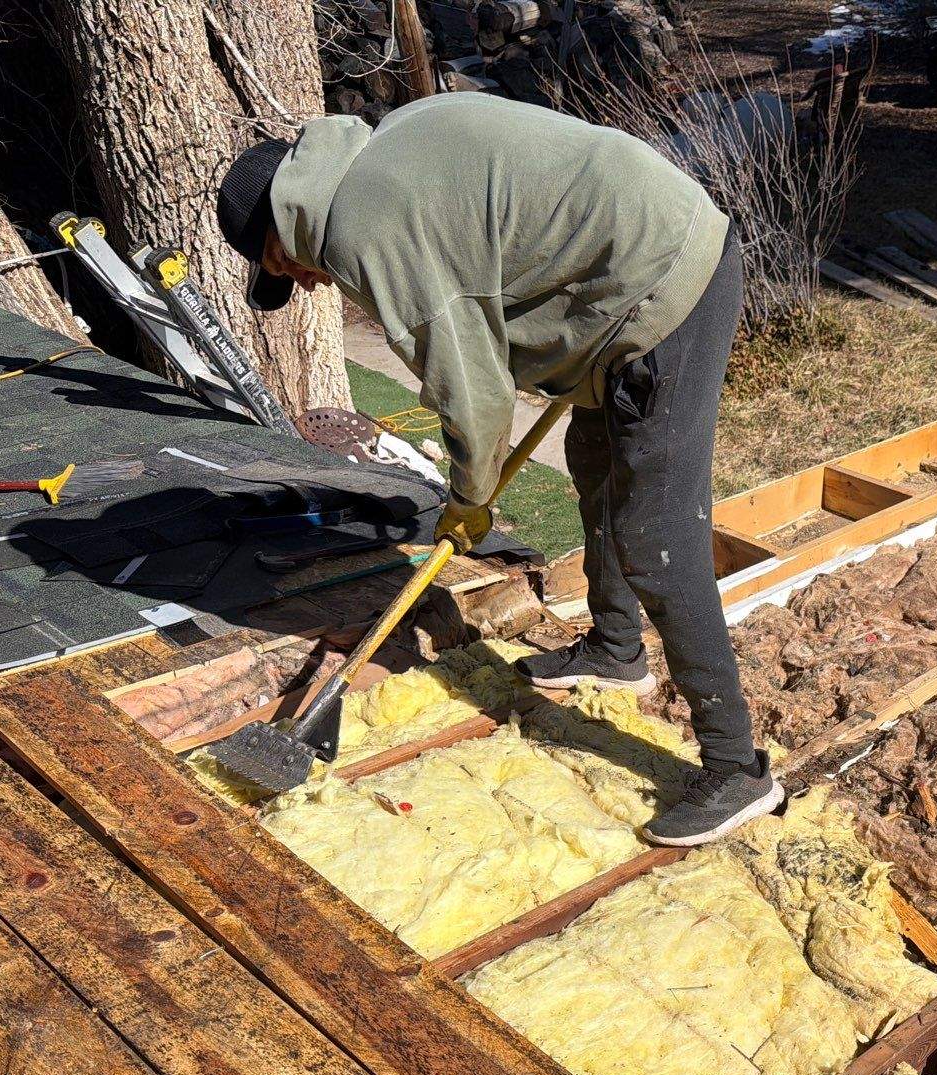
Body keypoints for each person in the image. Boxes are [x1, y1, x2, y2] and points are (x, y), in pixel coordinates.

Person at [214, 92, 780, 845]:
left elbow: (471, 389)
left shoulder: (364, 228)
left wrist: (469, 497)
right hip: (632, 265)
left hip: (667, 283)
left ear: (283, 230)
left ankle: (737, 770)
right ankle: (616, 650)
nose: (307, 284)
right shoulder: (379, 150)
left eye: (285, 270)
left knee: (657, 533)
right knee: (593, 457)